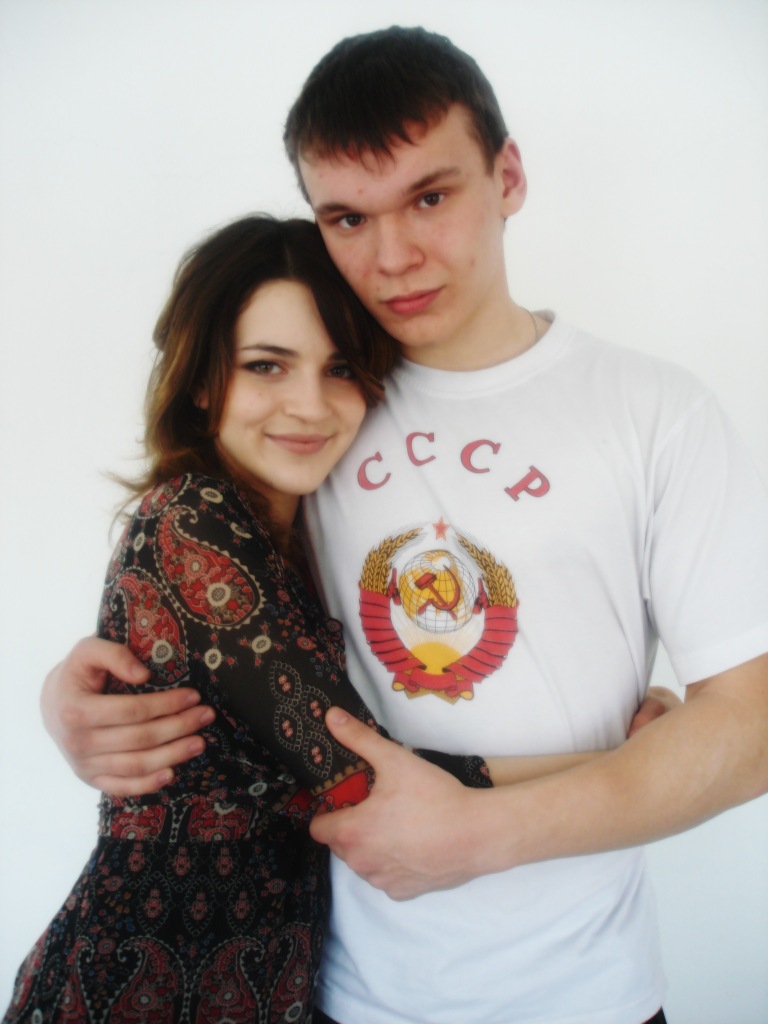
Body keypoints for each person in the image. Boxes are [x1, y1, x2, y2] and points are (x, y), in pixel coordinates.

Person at [39, 25, 768, 1024]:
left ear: (508, 176)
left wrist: (483, 832)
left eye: (430, 196)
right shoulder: (312, 425)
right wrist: (81, 699)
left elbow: (752, 724)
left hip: (590, 994)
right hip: (341, 994)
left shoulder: (655, 412)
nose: (392, 256)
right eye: (347, 216)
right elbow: (211, 628)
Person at [3, 214, 508, 1024]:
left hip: (271, 988)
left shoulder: (309, 531)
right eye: (266, 365)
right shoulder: (189, 519)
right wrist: (626, 761)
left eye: (338, 368)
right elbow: (364, 778)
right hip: (138, 994)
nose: (309, 406)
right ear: (203, 380)